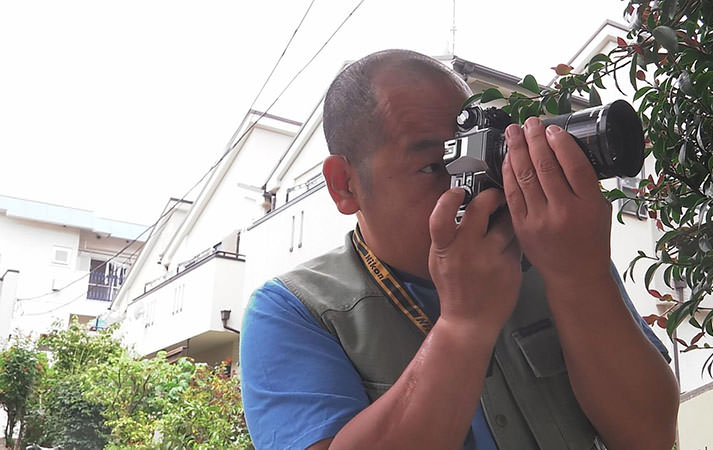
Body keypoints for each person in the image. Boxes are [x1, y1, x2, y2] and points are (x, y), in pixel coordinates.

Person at [240, 49, 679, 450]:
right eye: (436, 165)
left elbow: (648, 436)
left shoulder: (554, 254)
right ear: (345, 184)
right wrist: (464, 324)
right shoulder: (293, 310)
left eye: (479, 149)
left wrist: (581, 276)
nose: (470, 178)